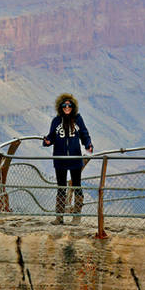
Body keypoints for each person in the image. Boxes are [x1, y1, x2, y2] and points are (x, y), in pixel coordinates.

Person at [43, 93, 93, 225]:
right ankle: (59, 217)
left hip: (75, 158)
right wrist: (47, 141)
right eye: (64, 105)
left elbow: (84, 134)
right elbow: (51, 136)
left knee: (77, 186)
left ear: (73, 106)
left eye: (69, 105)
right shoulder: (56, 121)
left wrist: (88, 144)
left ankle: (76, 217)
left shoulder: (78, 119)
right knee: (61, 187)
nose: (67, 107)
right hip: (60, 159)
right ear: (60, 107)